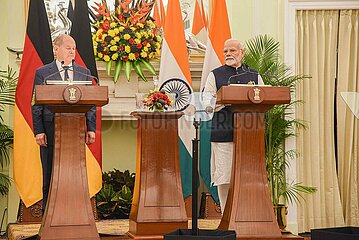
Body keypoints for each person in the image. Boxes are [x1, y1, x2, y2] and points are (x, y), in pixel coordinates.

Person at [32, 34, 96, 213]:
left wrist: (91, 128)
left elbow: (90, 104)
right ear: (56, 49)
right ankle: (48, 217)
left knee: (75, 175)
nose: (72, 51)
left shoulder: (84, 73)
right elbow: (37, 104)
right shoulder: (43, 73)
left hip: (75, 132)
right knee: (50, 175)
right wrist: (39, 131)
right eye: (68, 47)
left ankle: (74, 214)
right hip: (50, 131)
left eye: (73, 48)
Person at [203, 38, 264, 213]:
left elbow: (265, 97)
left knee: (248, 177)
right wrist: (225, 99)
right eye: (226, 51)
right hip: (223, 132)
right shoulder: (215, 75)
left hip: (249, 133)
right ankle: (226, 214)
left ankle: (246, 214)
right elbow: (207, 102)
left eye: (233, 51)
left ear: (242, 52)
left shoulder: (254, 75)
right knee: (224, 176)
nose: (228, 54)